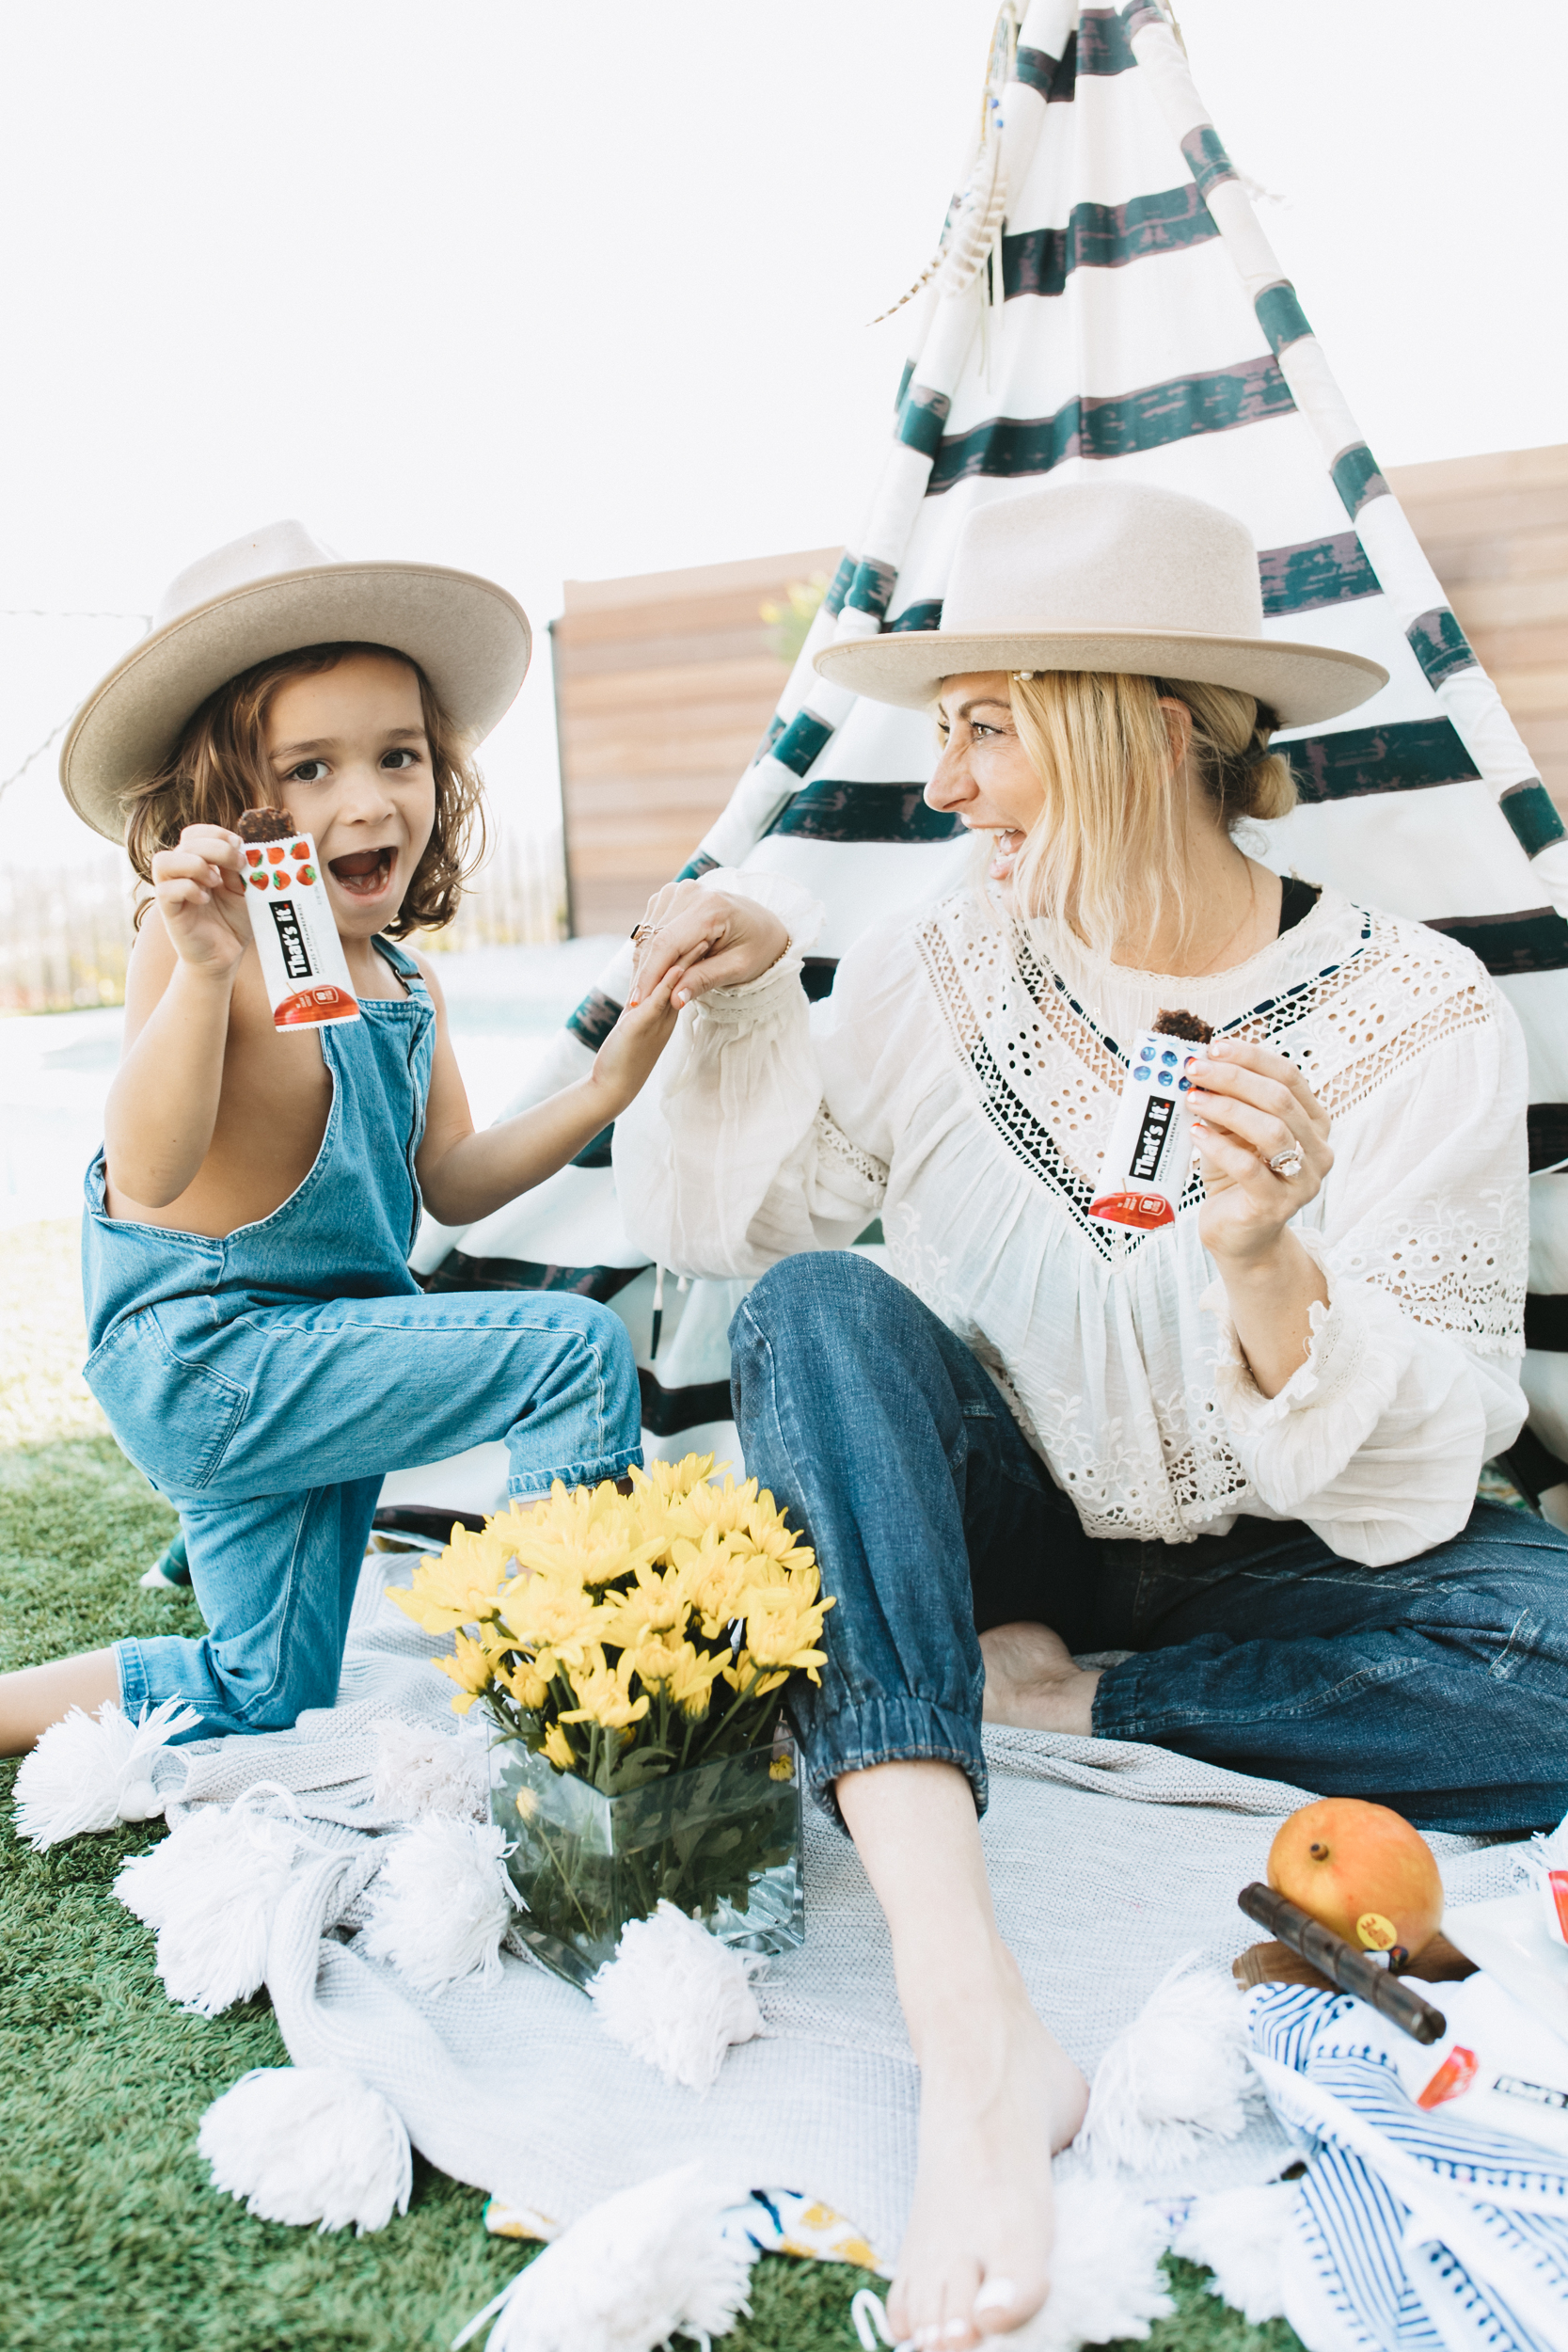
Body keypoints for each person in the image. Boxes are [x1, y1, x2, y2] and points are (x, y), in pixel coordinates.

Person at [612, 480, 1568, 2349]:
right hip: (1006, 1515)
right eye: (942, 729)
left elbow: (1431, 1460)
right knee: (821, 1309)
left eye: (987, 724)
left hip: (1284, 1570)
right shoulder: (930, 959)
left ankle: (1049, 1701)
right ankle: (972, 2020)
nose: (947, 783)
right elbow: (734, 1228)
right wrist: (743, 1011)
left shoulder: (1416, 1011)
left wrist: (1271, 1260)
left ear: (1146, 719)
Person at [0, 522, 678, 1759]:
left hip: (309, 1371)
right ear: (227, 807)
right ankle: (577, 1725)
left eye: (399, 756)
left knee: (265, 1688)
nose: (369, 799)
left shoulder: (406, 984)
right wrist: (204, 970)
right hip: (212, 1357)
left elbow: (450, 1180)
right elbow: (146, 1172)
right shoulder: (204, 945)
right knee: (570, 1348)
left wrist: (604, 1089)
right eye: (308, 770)